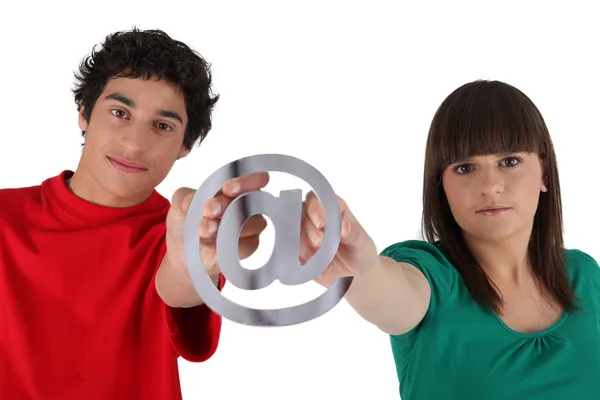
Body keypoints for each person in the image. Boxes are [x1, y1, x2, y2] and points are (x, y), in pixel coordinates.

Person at [0, 28, 269, 399]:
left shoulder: (179, 231)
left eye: (162, 126)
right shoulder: (5, 218)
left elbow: (178, 283)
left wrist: (198, 260)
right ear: (84, 113)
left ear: (185, 146)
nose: (134, 144)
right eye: (119, 112)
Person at [300, 80, 600, 399]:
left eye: (509, 161)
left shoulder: (585, 275)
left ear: (544, 172)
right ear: (441, 186)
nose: (490, 185)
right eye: (465, 167)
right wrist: (361, 271)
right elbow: (388, 293)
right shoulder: (432, 276)